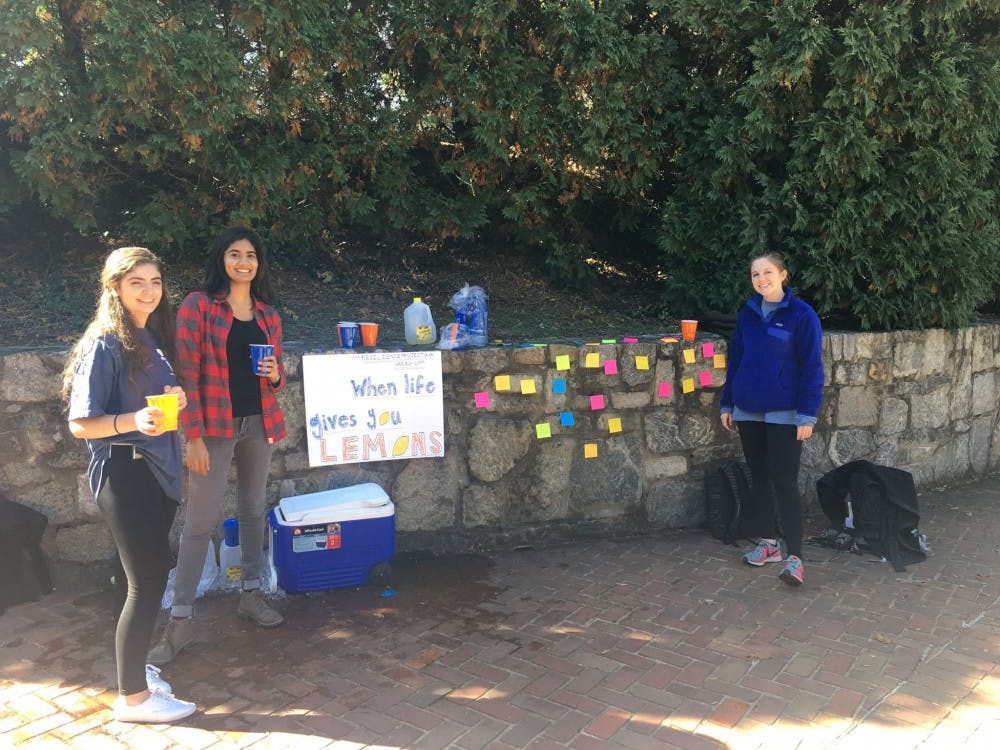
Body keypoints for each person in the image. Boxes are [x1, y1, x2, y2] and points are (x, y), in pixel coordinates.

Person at [63, 247, 197, 723]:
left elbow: (153, 402)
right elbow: (82, 423)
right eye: (136, 281)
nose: (148, 290)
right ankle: (134, 700)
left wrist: (173, 399)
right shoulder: (104, 342)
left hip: (155, 470)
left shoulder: (150, 337)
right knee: (148, 581)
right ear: (115, 287)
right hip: (126, 470)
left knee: (133, 580)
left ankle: (133, 674)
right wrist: (133, 420)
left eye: (155, 281)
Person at [149, 227, 287, 664]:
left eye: (250, 255)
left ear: (259, 263)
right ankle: (180, 623)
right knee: (200, 521)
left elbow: (278, 375)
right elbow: (183, 375)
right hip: (214, 426)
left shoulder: (267, 314)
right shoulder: (198, 307)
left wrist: (274, 374)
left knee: (251, 509)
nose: (243, 262)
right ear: (221, 259)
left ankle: (250, 594)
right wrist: (191, 436)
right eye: (234, 254)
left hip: (259, 423)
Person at [719, 252, 824, 586]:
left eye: (767, 272)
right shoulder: (748, 314)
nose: (761, 279)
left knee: (784, 482)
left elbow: (812, 367)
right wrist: (727, 404)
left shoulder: (802, 315)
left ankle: (795, 558)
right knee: (760, 477)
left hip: (785, 412)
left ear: (783, 275)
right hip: (748, 409)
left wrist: (807, 413)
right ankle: (768, 544)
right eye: (755, 274)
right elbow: (735, 361)